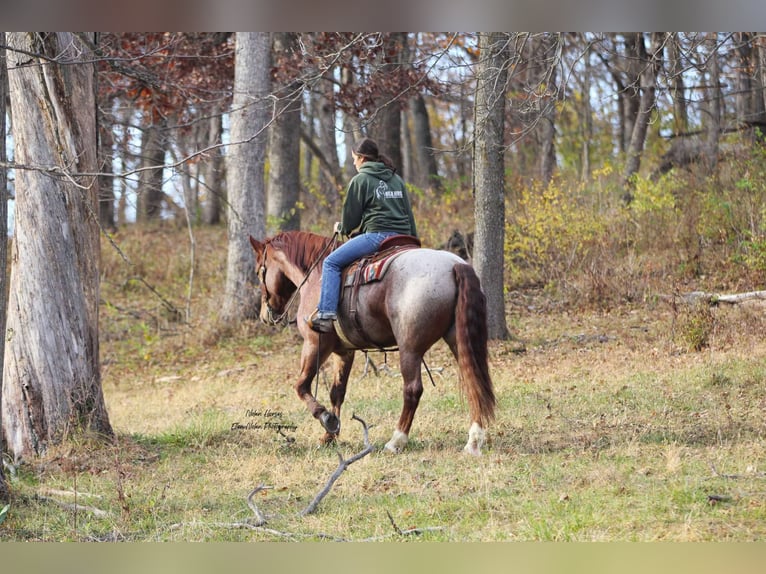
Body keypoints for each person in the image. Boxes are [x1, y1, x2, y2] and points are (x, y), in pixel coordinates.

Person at [306, 138, 418, 333]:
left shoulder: (361, 180)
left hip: (377, 236)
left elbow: (350, 222)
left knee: (331, 263)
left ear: (362, 158)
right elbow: (409, 215)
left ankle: (325, 314)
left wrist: (341, 228)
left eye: (354, 159)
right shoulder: (396, 179)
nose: (353, 163)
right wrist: (415, 243)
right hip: (403, 238)